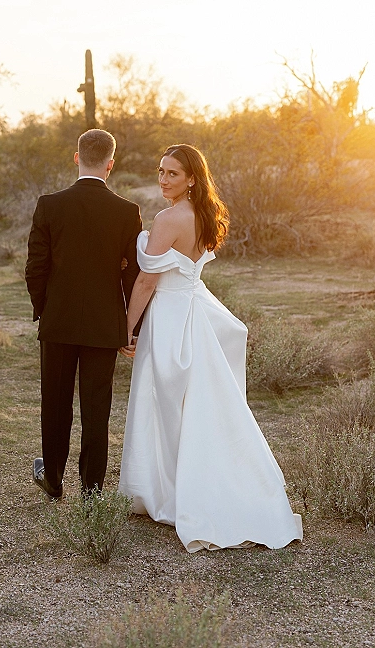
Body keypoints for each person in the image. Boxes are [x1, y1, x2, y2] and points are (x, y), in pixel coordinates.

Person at [118, 144, 303, 551]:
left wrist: (127, 329)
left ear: (191, 180)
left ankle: (169, 493)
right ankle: (191, 484)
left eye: (172, 174)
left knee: (165, 402)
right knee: (199, 404)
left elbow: (147, 282)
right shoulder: (205, 215)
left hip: (171, 316)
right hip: (196, 310)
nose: (163, 179)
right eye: (161, 171)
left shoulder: (169, 218)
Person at [25, 129, 142, 499]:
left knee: (55, 404)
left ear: (76, 158)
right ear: (111, 163)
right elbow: (133, 276)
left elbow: (35, 268)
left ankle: (54, 479)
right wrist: (128, 327)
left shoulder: (49, 204)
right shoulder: (127, 212)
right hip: (104, 325)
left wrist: (46, 310)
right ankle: (92, 492)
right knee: (97, 410)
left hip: (57, 322)